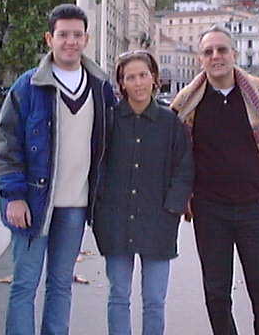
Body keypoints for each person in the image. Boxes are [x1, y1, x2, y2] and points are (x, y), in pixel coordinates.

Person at [0, 4, 116, 335]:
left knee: (61, 284)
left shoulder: (101, 88)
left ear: (86, 39)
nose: (70, 42)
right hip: (34, 204)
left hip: (75, 206)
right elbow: (6, 145)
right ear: (50, 38)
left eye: (77, 35)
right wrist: (14, 196)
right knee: (24, 284)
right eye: (63, 35)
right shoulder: (28, 86)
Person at [170, 25, 259, 335]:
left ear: (234, 54)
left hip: (254, 207)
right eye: (208, 52)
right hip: (209, 211)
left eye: (222, 50)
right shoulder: (187, 104)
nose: (216, 56)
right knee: (217, 293)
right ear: (201, 59)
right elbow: (177, 155)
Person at [93, 50, 194, 335]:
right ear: (121, 83)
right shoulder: (108, 121)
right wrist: (99, 206)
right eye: (130, 77)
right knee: (118, 296)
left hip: (158, 221)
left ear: (154, 79)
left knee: (154, 300)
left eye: (143, 75)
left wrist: (172, 208)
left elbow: (184, 168)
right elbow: (95, 164)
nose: (137, 83)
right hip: (115, 220)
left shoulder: (170, 122)